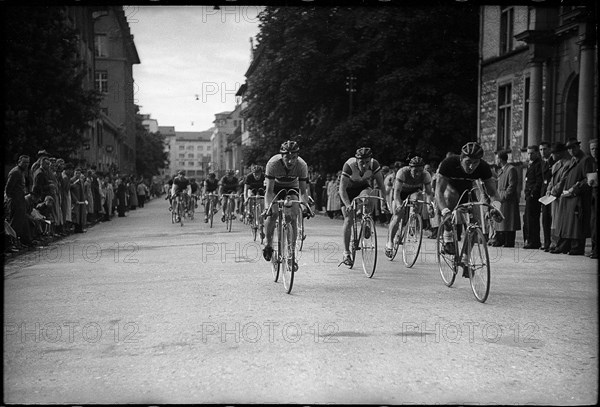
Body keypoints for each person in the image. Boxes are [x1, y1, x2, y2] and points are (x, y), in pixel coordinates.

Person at [435, 142, 503, 276]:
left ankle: (465, 259)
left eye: (475, 163)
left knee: (475, 223)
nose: (472, 166)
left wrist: (496, 208)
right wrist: (445, 212)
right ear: (461, 159)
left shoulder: (483, 167)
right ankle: (448, 236)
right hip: (451, 189)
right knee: (450, 197)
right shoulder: (448, 163)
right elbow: (439, 192)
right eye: (468, 162)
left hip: (468, 190)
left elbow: (494, 193)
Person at [262, 140, 312, 268]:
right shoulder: (273, 163)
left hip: (292, 187)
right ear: (281, 156)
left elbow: (303, 191)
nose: (290, 161)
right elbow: (268, 192)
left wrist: (304, 205)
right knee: (272, 213)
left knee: (293, 217)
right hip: (275, 187)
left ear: (297, 156)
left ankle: (291, 255)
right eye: (287, 158)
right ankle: (268, 242)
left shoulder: (302, 165)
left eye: (294, 158)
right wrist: (268, 207)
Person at [338, 147, 389, 266]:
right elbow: (342, 189)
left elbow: (381, 185)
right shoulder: (349, 165)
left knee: (367, 197)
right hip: (347, 191)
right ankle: (346, 253)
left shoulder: (374, 164)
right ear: (356, 160)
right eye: (362, 162)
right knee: (348, 219)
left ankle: (365, 218)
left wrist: (384, 201)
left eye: (367, 162)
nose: (365, 165)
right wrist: (347, 204)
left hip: (362, 187)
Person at [384, 156, 433, 258]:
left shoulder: (426, 175)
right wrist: (398, 205)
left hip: (414, 192)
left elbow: (428, 193)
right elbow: (396, 192)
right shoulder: (402, 172)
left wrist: (430, 206)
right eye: (415, 171)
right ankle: (389, 243)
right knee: (398, 216)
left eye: (420, 171)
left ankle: (413, 220)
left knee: (418, 197)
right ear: (410, 168)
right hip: (400, 193)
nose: (418, 174)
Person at [554, 138, 595, 255]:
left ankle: (577, 247)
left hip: (578, 197)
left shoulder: (585, 160)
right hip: (568, 196)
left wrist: (576, 189)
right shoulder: (573, 160)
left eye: (573, 147)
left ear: (578, 147)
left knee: (577, 224)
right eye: (569, 149)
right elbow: (565, 177)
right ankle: (567, 246)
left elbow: (587, 179)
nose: (571, 150)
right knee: (569, 224)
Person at [4, 155, 35, 247]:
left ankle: (23, 241)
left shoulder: (21, 172)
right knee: (15, 222)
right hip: (15, 201)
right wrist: (12, 199)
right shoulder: (16, 172)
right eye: (24, 162)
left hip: (20, 200)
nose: (26, 164)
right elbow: (8, 188)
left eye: (28, 162)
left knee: (22, 222)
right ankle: (10, 243)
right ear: (19, 162)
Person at [492, 150, 521, 247]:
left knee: (509, 222)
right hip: (501, 200)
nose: (495, 161)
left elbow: (512, 186)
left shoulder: (511, 169)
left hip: (508, 201)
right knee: (503, 222)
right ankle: (501, 240)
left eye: (496, 159)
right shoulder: (501, 170)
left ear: (500, 159)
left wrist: (503, 196)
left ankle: (509, 241)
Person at [546, 142, 570, 252]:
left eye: (553, 153)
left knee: (560, 221)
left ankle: (560, 244)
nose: (552, 156)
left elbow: (563, 181)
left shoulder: (567, 164)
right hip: (554, 197)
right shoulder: (556, 165)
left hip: (561, 197)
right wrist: (548, 190)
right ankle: (554, 242)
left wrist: (553, 191)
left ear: (559, 154)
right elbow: (552, 180)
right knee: (554, 221)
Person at [522, 145, 543, 249]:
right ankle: (528, 240)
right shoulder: (530, 165)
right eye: (528, 153)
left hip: (533, 196)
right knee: (527, 219)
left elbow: (538, 181)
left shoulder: (538, 164)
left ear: (537, 153)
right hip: (528, 195)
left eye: (532, 153)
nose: (530, 155)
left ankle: (533, 241)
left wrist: (532, 193)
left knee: (532, 220)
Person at [539, 141, 555, 251]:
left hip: (552, 194)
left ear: (549, 149)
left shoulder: (553, 162)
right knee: (545, 219)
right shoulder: (543, 163)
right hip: (545, 195)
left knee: (551, 219)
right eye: (541, 149)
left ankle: (552, 243)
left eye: (545, 149)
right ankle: (546, 242)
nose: (542, 152)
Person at [244, 164, 266, 238]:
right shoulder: (249, 177)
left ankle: (263, 213)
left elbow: (267, 190)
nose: (256, 176)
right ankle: (250, 213)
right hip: (252, 190)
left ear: (261, 173)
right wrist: (246, 199)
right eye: (255, 174)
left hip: (261, 190)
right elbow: (245, 190)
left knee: (262, 202)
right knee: (250, 196)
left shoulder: (264, 176)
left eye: (258, 174)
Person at [587, 140, 598, 258]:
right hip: (593, 196)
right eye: (592, 149)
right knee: (593, 223)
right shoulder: (592, 163)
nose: (594, 151)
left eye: (596, 148)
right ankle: (594, 249)